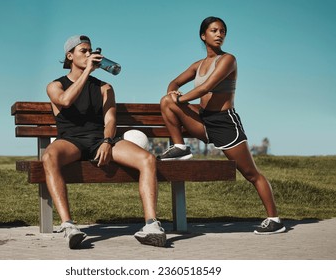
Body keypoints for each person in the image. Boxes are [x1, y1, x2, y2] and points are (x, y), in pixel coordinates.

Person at [158, 17, 286, 235]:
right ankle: (180, 147)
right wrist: (173, 93)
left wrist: (180, 100)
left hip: (225, 122)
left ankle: (274, 220)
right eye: (214, 30)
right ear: (203, 35)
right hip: (204, 119)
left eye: (223, 31)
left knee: (250, 173)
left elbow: (205, 87)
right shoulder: (198, 65)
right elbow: (175, 83)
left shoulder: (228, 60)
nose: (219, 34)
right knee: (165, 101)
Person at [43, 34, 166, 249]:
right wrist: (88, 71)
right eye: (83, 51)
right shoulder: (55, 85)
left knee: (147, 159)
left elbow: (111, 119)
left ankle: (151, 225)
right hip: (71, 141)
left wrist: (108, 141)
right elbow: (65, 101)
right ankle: (69, 225)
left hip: (101, 139)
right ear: (70, 56)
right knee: (49, 156)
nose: (89, 55)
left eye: (91, 51)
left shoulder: (104, 87)